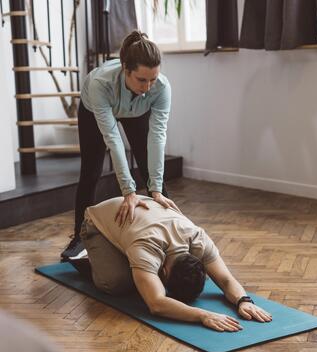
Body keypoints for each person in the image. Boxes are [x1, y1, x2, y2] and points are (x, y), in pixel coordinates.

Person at [74, 196, 272, 332]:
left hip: (140, 220)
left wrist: (243, 300)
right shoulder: (147, 247)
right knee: (117, 284)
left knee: (140, 278)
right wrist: (203, 315)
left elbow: (226, 279)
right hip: (99, 221)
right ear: (165, 271)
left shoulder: (198, 240)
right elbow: (157, 304)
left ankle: (133, 262)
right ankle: (87, 255)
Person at [61, 30, 177, 260]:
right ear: (126, 69)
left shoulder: (161, 88)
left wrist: (155, 189)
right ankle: (79, 237)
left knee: (149, 168)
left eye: (152, 79)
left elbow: (158, 137)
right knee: (91, 171)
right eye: (141, 79)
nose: (147, 87)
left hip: (135, 110)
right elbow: (112, 139)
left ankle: (171, 231)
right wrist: (129, 191)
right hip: (95, 108)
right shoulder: (100, 84)